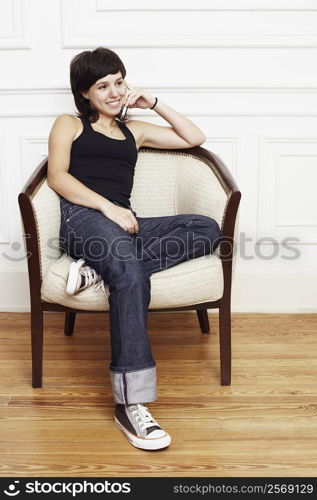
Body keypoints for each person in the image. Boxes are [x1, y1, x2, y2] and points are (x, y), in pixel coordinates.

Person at [47, 47, 222, 451]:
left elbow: (194, 138)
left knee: (206, 228)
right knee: (127, 274)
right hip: (84, 218)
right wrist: (108, 207)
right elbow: (57, 177)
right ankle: (131, 402)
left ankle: (95, 268)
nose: (113, 91)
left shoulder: (136, 129)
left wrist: (153, 103)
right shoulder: (69, 124)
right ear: (85, 94)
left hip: (124, 228)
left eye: (119, 81)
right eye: (102, 85)